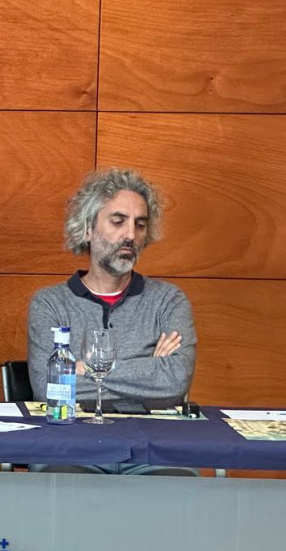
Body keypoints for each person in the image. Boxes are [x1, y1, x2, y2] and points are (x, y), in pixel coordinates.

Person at [26, 168, 197, 475]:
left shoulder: (169, 301)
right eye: (118, 221)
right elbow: (49, 387)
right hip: (71, 449)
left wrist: (83, 368)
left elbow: (175, 381)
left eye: (140, 224)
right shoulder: (49, 303)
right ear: (88, 229)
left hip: (154, 450)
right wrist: (148, 367)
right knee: (62, 485)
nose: (130, 234)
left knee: (179, 487)